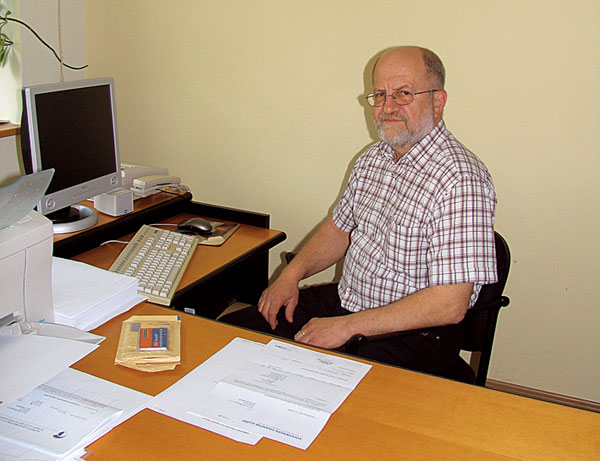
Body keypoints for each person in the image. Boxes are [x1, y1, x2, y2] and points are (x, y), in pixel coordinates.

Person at [221, 46, 497, 375]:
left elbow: (449, 304)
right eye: (380, 95)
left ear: (438, 101)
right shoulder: (373, 159)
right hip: (348, 302)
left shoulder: (460, 179)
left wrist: (347, 327)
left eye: (403, 94)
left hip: (415, 334)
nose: (387, 107)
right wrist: (290, 276)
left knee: (300, 382)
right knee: (232, 336)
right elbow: (339, 230)